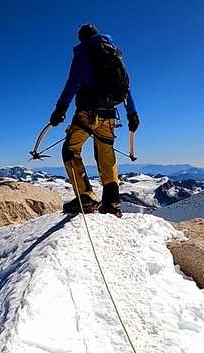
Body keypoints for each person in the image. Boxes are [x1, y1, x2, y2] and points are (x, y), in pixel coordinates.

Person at [49, 23, 140, 217]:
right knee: (106, 154)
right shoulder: (114, 55)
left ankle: (85, 197)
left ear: (81, 38)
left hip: (88, 114)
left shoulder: (84, 54)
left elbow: (74, 81)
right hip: (109, 116)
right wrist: (132, 113)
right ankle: (112, 202)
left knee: (70, 149)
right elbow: (126, 88)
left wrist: (61, 108)